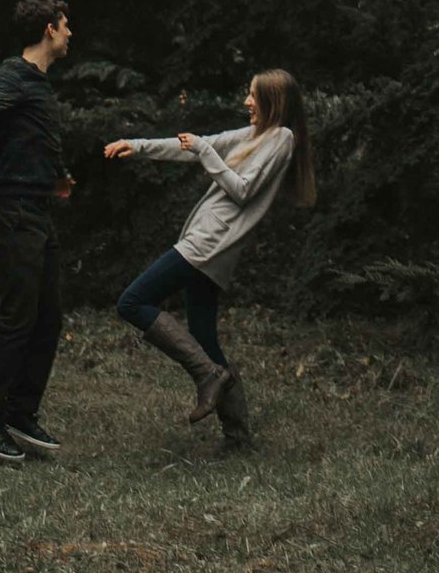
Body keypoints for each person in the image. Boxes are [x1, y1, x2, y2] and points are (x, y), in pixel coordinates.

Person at [104, 68, 317, 450]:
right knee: (204, 335)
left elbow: (243, 190)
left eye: (253, 95)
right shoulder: (256, 135)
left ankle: (207, 376)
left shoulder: (282, 138)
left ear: (273, 101)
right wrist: (136, 145)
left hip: (209, 242)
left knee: (132, 301)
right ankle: (238, 438)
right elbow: (199, 143)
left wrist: (205, 152)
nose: (247, 101)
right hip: (211, 245)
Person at [0, 0, 75, 463]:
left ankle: (19, 412)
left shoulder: (42, 85)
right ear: (49, 29)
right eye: (66, 26)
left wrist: (59, 175)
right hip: (11, 212)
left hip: (38, 209)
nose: (70, 34)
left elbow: (41, 138)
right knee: (19, 318)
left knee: (49, 318)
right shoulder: (12, 75)